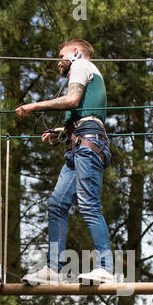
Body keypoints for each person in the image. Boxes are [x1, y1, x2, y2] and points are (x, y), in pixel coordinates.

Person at [15, 38, 113, 285]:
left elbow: (72, 101)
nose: (59, 60)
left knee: (88, 204)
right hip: (78, 143)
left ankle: (105, 268)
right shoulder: (85, 72)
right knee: (57, 203)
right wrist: (61, 132)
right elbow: (82, 114)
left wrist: (34, 106)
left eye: (62, 54)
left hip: (88, 143)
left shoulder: (80, 66)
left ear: (76, 53)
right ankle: (53, 269)